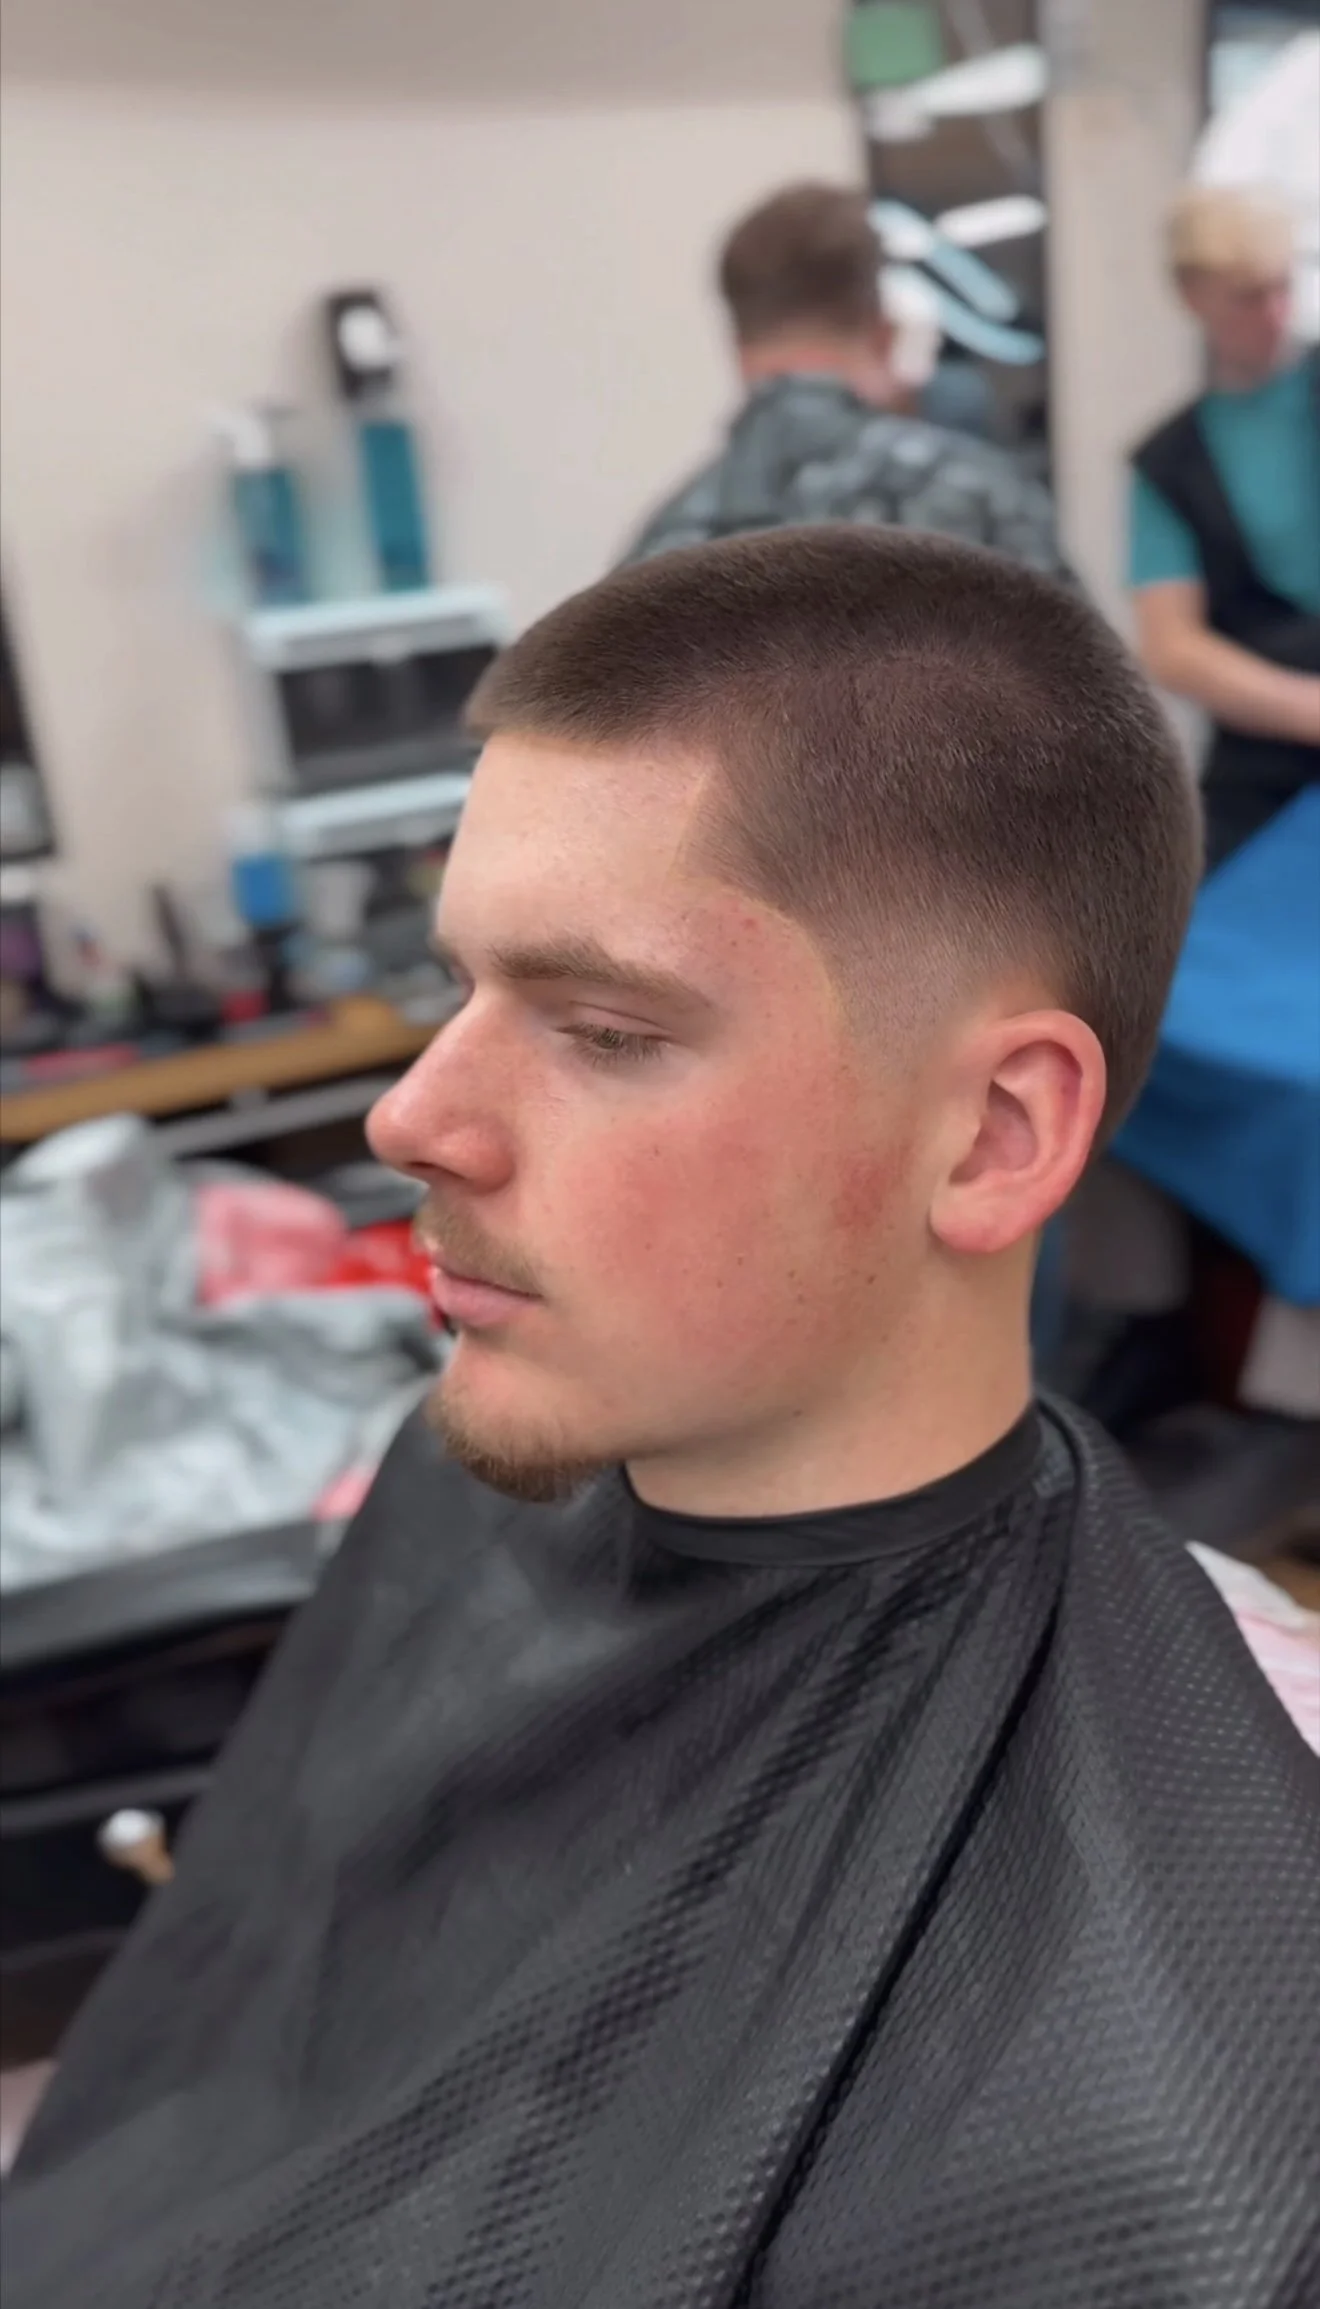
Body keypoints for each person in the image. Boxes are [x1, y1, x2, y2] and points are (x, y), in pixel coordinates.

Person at [5, 531, 1317, 2309]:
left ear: (995, 1134)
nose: (408, 1118)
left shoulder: (1179, 2144)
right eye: (459, 985)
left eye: (605, 1027)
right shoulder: (469, 1486)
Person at [620, 182, 1063, 572]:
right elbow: (1074, 641)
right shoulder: (979, 497)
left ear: (737, 347)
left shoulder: (664, 544)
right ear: (883, 333)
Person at [1130, 184, 1320, 871]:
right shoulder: (1168, 463)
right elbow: (1173, 647)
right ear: (1192, 296)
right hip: (1261, 769)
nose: (1272, 314)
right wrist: (1310, 710)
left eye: (1281, 287)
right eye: (1246, 297)